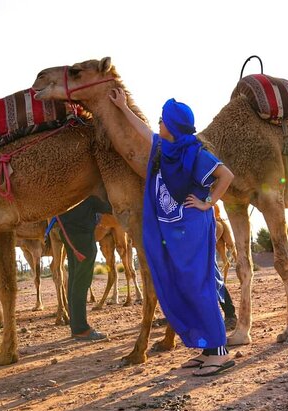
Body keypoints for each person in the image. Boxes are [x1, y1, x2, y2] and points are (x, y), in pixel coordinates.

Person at [110, 89, 236, 377]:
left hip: (192, 228)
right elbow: (142, 131)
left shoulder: (195, 152)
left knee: (199, 286)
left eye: (163, 120)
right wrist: (122, 107)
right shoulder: (163, 149)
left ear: (174, 126)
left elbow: (225, 175)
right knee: (181, 286)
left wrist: (208, 203)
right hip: (173, 232)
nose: (158, 123)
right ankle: (207, 349)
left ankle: (220, 351)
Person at [52, 196, 112, 341]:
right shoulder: (85, 190)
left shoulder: (66, 187)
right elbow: (107, 207)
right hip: (82, 236)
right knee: (81, 282)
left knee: (74, 279)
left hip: (68, 232)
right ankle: (81, 329)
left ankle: (76, 325)